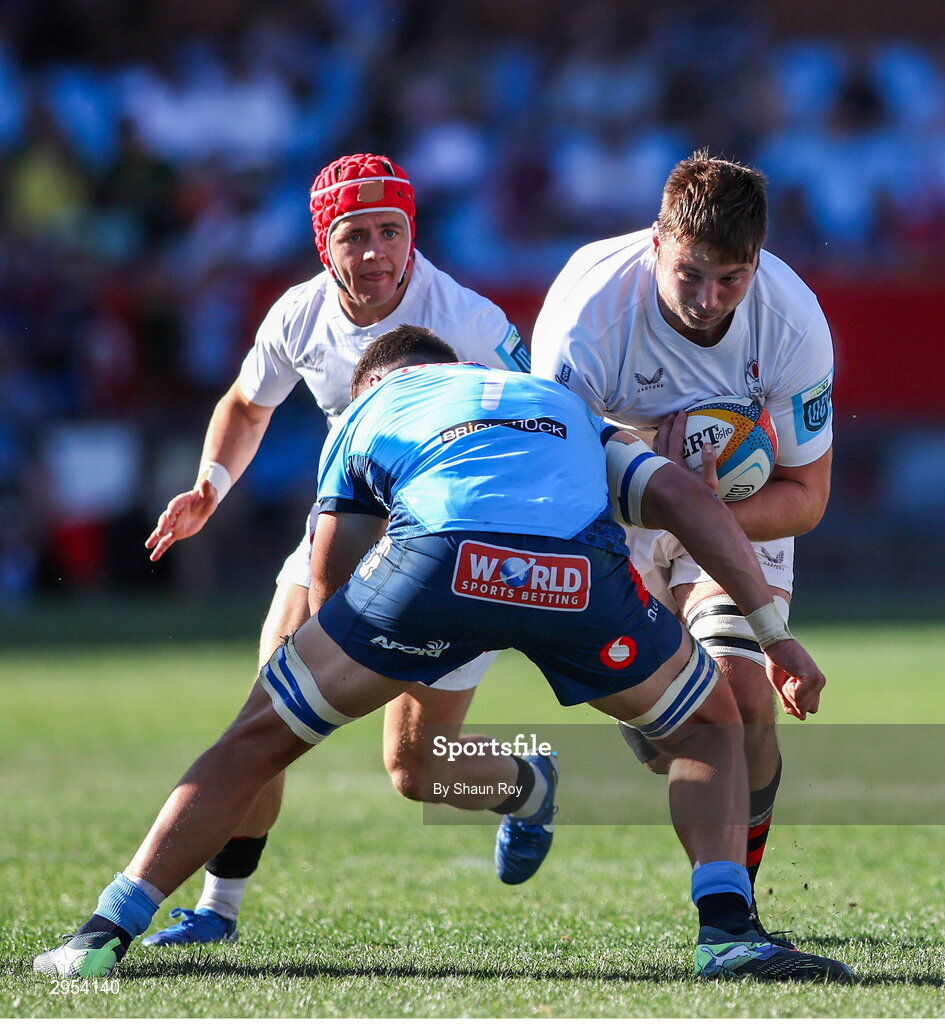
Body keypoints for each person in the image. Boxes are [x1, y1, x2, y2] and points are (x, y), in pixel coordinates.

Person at [34, 326, 851, 982]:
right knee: (709, 724)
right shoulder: (552, 399)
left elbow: (332, 560)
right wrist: (772, 633)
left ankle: (105, 930)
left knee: (256, 738)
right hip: (574, 577)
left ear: (373, 384)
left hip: (436, 564)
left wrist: (333, 668)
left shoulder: (367, 411)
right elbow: (678, 494)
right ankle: (727, 932)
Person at [141, 154, 549, 948]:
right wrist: (209, 486)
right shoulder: (299, 313)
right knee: (267, 714)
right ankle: (216, 911)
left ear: (412, 234)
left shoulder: (464, 319)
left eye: (388, 232)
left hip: (450, 553)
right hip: (344, 532)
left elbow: (541, 420)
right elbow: (245, 403)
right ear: (324, 245)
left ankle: (528, 784)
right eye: (353, 236)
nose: (374, 254)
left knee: (416, 770)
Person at [530, 151, 835, 942]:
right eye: (691, 274)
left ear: (757, 261)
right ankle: (664, 736)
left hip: (731, 511)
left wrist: (695, 503)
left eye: (730, 279)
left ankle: (736, 910)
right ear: (656, 242)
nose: (708, 301)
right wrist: (659, 489)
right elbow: (551, 487)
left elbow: (804, 498)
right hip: (603, 507)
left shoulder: (792, 320)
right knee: (678, 737)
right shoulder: (585, 317)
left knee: (742, 704)